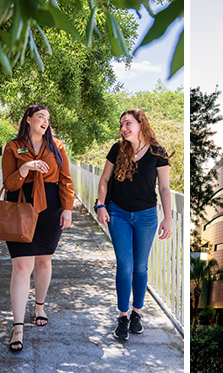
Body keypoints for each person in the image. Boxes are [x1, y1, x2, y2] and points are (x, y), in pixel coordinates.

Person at [1, 105, 74, 352]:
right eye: (40, 117)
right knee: (22, 265)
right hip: (21, 205)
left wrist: (68, 208)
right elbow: (8, 183)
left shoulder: (57, 146)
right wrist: (25, 168)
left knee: (43, 261)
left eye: (48, 118)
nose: (45, 121)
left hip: (51, 207)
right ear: (29, 119)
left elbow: (65, 179)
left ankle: (39, 305)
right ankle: (18, 326)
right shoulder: (13, 146)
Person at [95, 109, 172, 341]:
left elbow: (165, 188)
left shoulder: (159, 152)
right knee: (125, 266)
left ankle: (137, 313)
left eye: (128, 123)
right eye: (121, 125)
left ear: (141, 124)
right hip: (118, 213)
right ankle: (122, 317)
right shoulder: (118, 150)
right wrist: (100, 204)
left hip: (147, 217)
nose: (123, 128)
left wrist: (168, 218)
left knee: (140, 267)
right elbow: (104, 179)